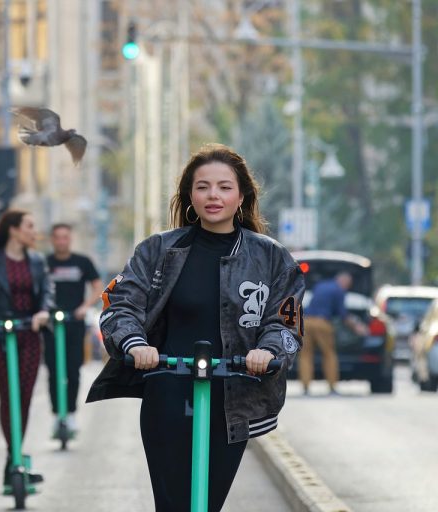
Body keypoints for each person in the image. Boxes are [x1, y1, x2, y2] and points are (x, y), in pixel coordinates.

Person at [86, 143, 305, 511]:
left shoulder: (272, 257)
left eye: (224, 187)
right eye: (203, 187)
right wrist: (134, 343)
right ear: (190, 195)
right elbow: (119, 304)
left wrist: (268, 351)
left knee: (207, 504)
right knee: (172, 505)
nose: (213, 195)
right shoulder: (157, 250)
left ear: (241, 196)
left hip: (233, 399)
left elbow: (285, 321)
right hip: (167, 394)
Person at [0, 209, 53, 486]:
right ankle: (13, 456)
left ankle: (13, 458)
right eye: (29, 226)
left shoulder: (37, 261)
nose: (34, 231)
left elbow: (47, 292)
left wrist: (44, 312)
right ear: (13, 230)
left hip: (29, 334)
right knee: (9, 395)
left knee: (24, 397)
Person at [43, 223, 102, 434]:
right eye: (57, 237)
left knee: (73, 370)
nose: (61, 241)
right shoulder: (44, 263)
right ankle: (56, 415)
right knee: (53, 371)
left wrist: (84, 307)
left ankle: (70, 414)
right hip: (50, 326)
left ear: (70, 239)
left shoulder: (82, 262)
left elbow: (98, 287)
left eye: (65, 237)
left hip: (75, 324)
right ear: (52, 240)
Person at [299, 272, 366, 395]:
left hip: (306, 322)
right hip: (322, 323)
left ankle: (305, 387)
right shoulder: (338, 290)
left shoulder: (320, 285)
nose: (347, 288)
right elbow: (343, 314)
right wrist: (357, 327)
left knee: (305, 355)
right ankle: (332, 386)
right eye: (348, 285)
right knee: (329, 355)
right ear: (343, 281)